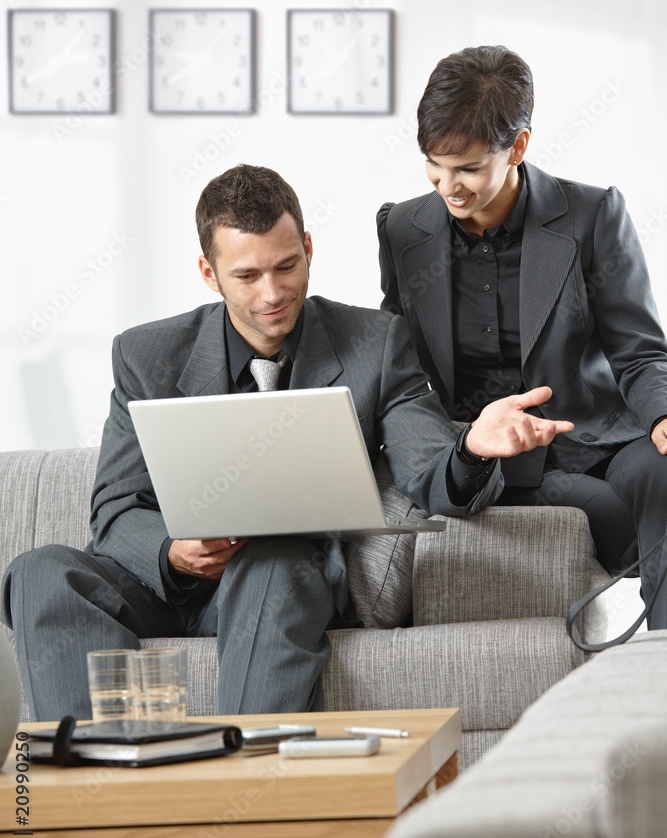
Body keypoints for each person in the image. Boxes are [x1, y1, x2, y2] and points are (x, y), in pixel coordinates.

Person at [2, 164, 573, 721]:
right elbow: (115, 510)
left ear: (307, 246)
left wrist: (472, 446)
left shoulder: (374, 344)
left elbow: (427, 467)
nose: (273, 293)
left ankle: (245, 792)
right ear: (209, 272)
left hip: (284, 580)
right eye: (247, 277)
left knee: (270, 561)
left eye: (287, 266)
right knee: (39, 571)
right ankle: (86, 793)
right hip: (168, 585)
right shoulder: (146, 354)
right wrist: (174, 553)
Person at [377, 45, 667, 627]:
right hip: (479, 444)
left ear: (519, 147)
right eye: (434, 164)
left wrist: (662, 416)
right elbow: (396, 360)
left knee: (660, 478)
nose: (447, 186)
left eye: (467, 168)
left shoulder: (590, 216)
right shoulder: (402, 228)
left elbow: (639, 353)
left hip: (592, 441)